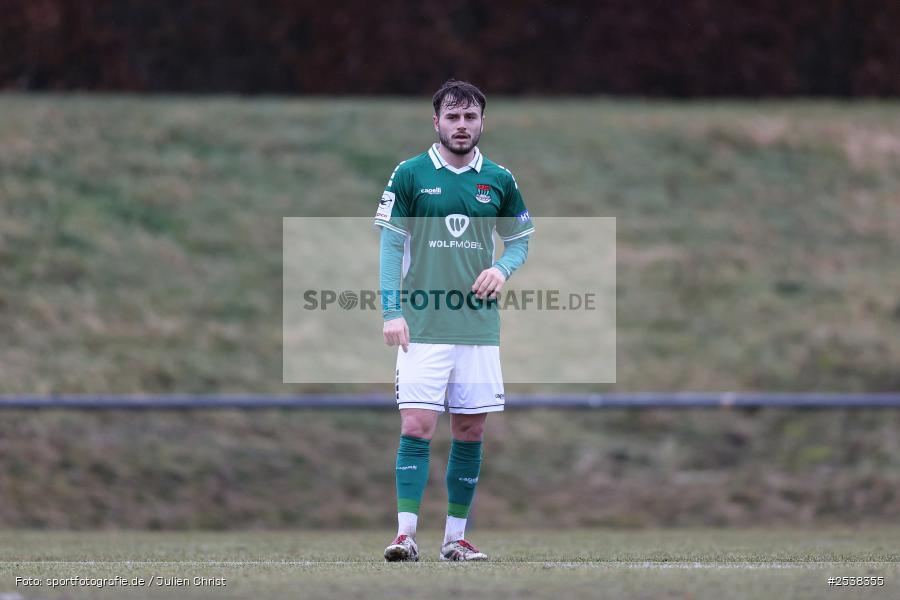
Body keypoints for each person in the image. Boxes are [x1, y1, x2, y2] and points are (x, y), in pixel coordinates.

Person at [373, 79, 534, 562]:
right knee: (417, 425)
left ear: (482, 122)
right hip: (422, 325)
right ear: (436, 122)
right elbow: (390, 246)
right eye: (452, 117)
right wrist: (391, 311)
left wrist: (501, 268)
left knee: (470, 431)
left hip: (477, 329)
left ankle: (454, 539)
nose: (461, 125)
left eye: (470, 117)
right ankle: (405, 536)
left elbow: (520, 239)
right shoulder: (410, 174)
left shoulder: (499, 180)